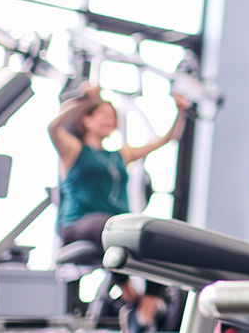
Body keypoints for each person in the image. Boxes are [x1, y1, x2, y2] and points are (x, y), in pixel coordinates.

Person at [48, 84, 189, 333]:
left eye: (111, 116)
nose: (109, 120)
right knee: (112, 227)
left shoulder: (120, 155)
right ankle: (129, 295)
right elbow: (53, 127)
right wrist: (87, 101)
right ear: (86, 119)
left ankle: (143, 314)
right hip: (78, 224)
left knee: (155, 237)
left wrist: (180, 112)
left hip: (113, 227)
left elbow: (166, 140)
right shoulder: (73, 150)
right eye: (102, 114)